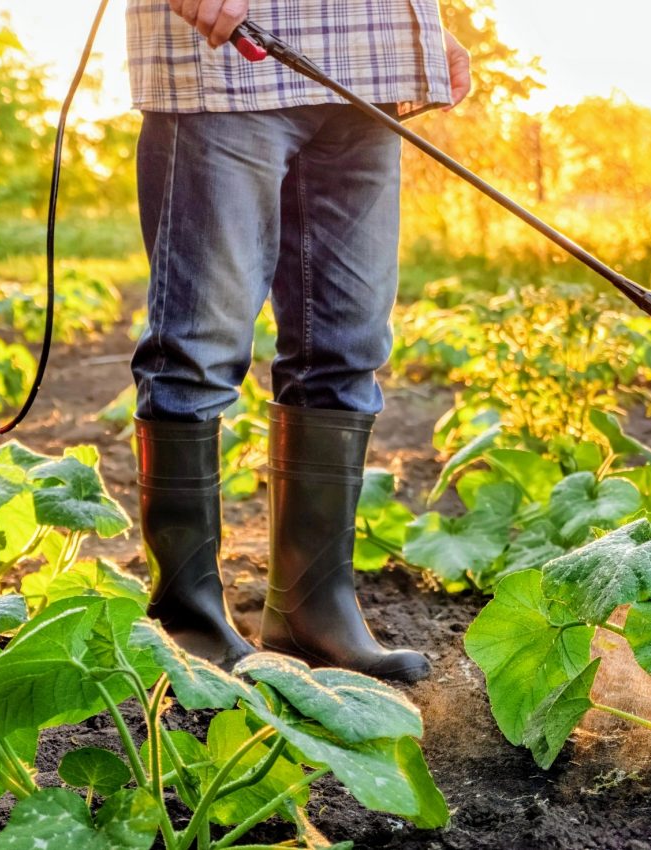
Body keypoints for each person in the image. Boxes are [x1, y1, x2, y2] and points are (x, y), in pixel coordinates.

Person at [127, 0, 472, 684]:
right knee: (197, 351)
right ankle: (187, 626)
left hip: (367, 64)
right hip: (226, 66)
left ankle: (313, 613)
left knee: (346, 350)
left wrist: (422, 26)